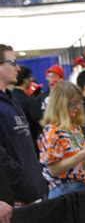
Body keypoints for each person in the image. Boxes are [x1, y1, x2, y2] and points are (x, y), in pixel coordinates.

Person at [38, 81, 85, 198]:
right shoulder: (52, 131)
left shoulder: (74, 127)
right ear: (61, 104)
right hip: (66, 191)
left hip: (82, 187)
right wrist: (83, 154)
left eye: (79, 102)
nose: (78, 107)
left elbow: (78, 161)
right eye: (74, 103)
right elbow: (53, 170)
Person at [0, 44, 48, 204]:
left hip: (33, 193)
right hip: (15, 199)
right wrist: (20, 179)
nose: (18, 68)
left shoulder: (11, 100)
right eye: (13, 63)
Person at [12, 66, 42, 150]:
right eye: (30, 77)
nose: (31, 80)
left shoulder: (8, 98)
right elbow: (43, 122)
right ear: (25, 80)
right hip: (31, 144)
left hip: (15, 144)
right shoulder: (29, 101)